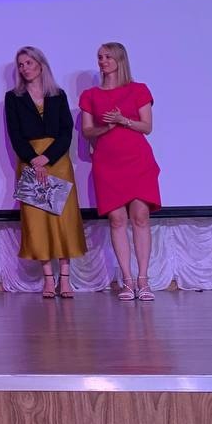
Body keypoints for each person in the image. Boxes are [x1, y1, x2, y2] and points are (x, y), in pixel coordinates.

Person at [80, 42, 161, 302]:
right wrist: (106, 128)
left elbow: (147, 127)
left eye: (107, 57)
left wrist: (122, 120)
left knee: (140, 217)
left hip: (137, 160)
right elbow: (87, 131)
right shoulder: (90, 95)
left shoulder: (138, 89)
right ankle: (127, 281)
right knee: (116, 220)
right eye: (100, 57)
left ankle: (143, 280)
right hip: (107, 163)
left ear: (119, 60)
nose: (102, 61)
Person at [4, 46, 86, 298]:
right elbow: (15, 135)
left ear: (41, 65)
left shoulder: (58, 95)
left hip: (57, 161)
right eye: (21, 65)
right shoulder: (13, 97)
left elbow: (66, 131)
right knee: (37, 220)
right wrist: (33, 160)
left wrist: (47, 157)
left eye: (29, 63)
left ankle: (65, 279)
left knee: (63, 219)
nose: (24, 68)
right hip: (30, 163)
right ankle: (48, 280)